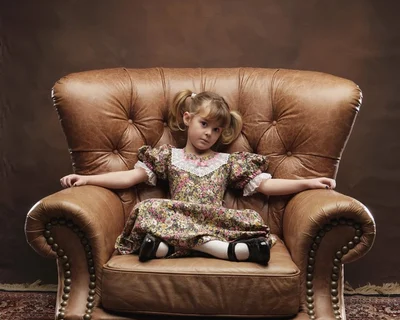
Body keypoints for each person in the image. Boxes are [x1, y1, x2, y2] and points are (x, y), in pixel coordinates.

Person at [60, 90, 336, 265]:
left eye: (216, 130)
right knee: (147, 209)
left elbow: (267, 185)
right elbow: (129, 179)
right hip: (178, 215)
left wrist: (308, 183)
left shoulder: (228, 161)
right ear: (187, 118)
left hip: (212, 218)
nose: (209, 134)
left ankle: (166, 249)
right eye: (204, 125)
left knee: (249, 221)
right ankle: (224, 250)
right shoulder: (167, 156)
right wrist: (87, 179)